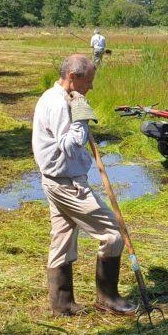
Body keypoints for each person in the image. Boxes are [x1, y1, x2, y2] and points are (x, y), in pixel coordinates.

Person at [31, 53, 135, 316]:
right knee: (113, 236)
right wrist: (81, 120)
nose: (91, 86)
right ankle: (108, 299)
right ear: (72, 77)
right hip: (67, 185)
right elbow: (68, 145)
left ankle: (62, 305)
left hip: (56, 180)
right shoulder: (57, 104)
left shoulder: (61, 98)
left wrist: (79, 111)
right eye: (88, 81)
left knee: (62, 242)